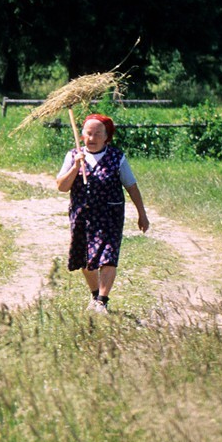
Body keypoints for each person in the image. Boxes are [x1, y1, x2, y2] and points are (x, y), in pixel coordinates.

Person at [55, 113, 150, 314]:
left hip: (110, 215)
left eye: (98, 133)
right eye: (88, 133)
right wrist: (75, 167)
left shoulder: (117, 157)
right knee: (85, 259)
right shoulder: (73, 156)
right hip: (82, 215)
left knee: (108, 256)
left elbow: (131, 186)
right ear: (82, 135)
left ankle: (102, 301)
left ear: (107, 137)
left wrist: (142, 213)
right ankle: (95, 295)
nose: (92, 138)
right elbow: (62, 187)